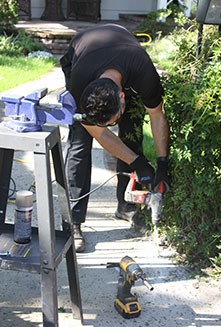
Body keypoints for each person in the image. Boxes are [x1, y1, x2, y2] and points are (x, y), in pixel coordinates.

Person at [60, 23, 170, 253]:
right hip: (81, 54)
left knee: (132, 133)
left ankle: (126, 205)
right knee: (80, 143)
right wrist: (137, 162)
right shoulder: (79, 83)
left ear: (123, 97)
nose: (112, 127)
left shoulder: (143, 73)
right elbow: (99, 132)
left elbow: (157, 116)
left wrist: (162, 162)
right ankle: (74, 223)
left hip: (124, 57)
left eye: (113, 120)